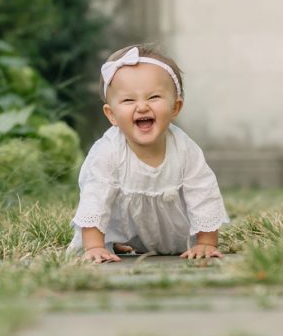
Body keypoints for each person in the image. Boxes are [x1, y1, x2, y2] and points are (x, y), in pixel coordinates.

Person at [71, 44, 229, 263]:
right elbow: (95, 198)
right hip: (125, 226)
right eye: (128, 100)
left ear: (175, 107)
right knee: (103, 210)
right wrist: (94, 246)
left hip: (173, 234)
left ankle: (165, 242)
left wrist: (206, 242)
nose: (142, 107)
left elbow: (203, 193)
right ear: (111, 114)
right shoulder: (109, 151)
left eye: (153, 97)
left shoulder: (185, 149)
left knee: (198, 202)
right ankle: (115, 240)